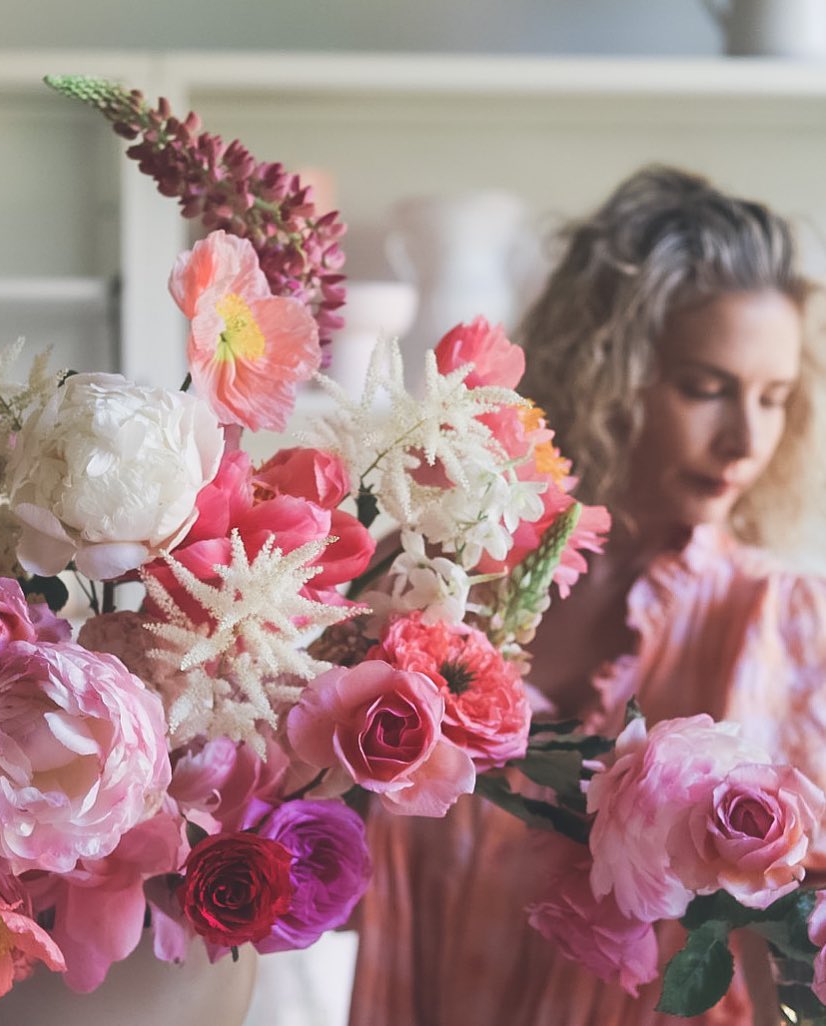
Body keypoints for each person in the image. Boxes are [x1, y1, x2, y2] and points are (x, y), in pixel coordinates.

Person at [348, 164, 826, 1026]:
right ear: (612, 370)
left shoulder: (779, 623)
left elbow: (795, 944)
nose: (746, 439)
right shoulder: (446, 585)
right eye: (706, 388)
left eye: (775, 399)